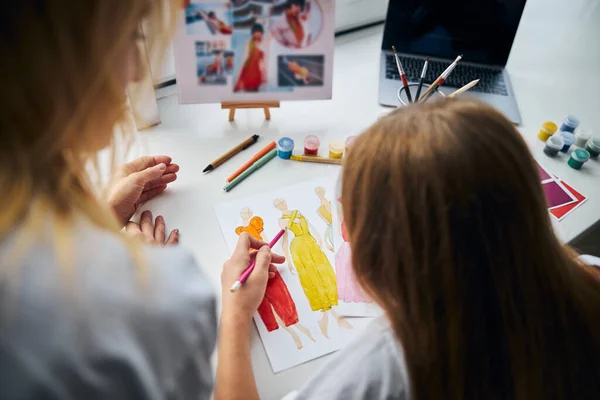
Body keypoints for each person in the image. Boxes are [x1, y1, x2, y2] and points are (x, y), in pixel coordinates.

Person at [216, 99, 600, 400]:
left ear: (384, 263)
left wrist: (235, 314)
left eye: (351, 221)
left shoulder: (389, 367)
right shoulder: (586, 276)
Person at [0, 2, 221, 399]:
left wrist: (97, 222)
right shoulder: (161, 300)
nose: (137, 70)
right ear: (62, 59)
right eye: (132, 35)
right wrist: (137, 274)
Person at [234, 23, 268, 92]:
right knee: (248, 84)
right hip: (249, 67)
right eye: (255, 32)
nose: (257, 34)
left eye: (259, 32)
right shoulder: (249, 42)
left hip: (258, 67)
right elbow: (245, 56)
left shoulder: (264, 42)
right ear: (252, 33)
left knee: (256, 84)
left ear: (262, 33)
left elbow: (266, 55)